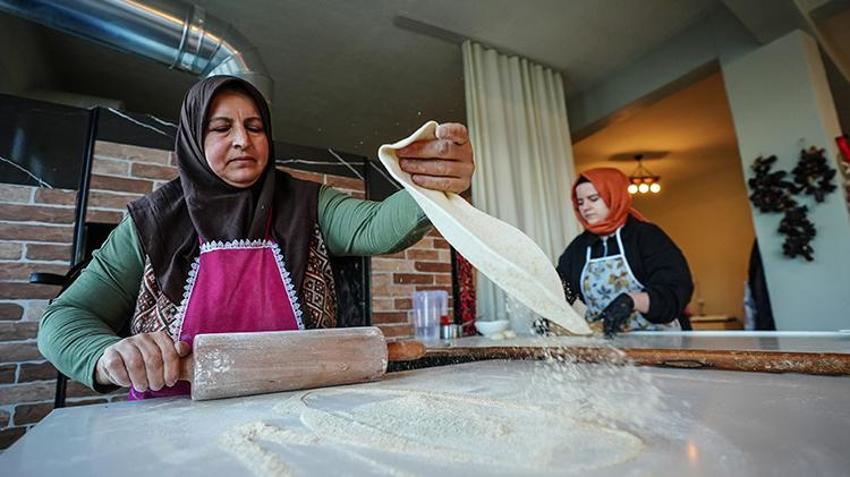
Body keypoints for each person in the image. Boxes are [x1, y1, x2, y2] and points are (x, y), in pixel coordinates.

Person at [38, 75, 474, 399]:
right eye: (221, 128)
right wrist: (107, 357)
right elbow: (64, 318)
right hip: (170, 425)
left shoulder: (305, 204)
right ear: (193, 137)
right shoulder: (151, 222)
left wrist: (429, 183)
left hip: (302, 408)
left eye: (255, 127)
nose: (243, 141)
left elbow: (376, 228)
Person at [556, 168, 693, 336]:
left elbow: (675, 288)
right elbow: (561, 289)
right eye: (580, 202)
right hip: (605, 345)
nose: (586, 207)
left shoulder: (646, 236)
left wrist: (632, 301)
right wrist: (548, 316)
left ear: (613, 196)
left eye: (593, 199)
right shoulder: (579, 248)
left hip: (659, 340)